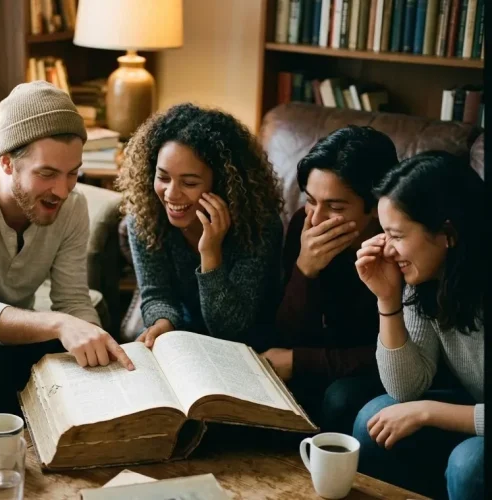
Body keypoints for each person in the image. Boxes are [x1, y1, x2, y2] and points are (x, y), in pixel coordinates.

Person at [0, 81, 134, 422]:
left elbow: (73, 301)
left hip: (10, 329)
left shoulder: (73, 208)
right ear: (7, 163)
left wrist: (93, 342)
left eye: (72, 174)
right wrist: (60, 324)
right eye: (47, 174)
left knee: (89, 335)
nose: (62, 191)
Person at [352, 151, 484, 499]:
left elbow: (417, 403)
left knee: (469, 464)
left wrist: (427, 412)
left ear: (447, 234)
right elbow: (405, 389)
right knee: (375, 418)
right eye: (384, 234)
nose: (386, 249)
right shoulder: (426, 278)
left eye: (396, 235)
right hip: (475, 406)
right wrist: (388, 300)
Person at [263, 126, 398, 433]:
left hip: (383, 370)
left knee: (340, 397)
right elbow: (288, 334)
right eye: (311, 200)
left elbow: (392, 355)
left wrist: (301, 362)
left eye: (335, 207)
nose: (316, 218)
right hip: (325, 355)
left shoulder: (400, 246)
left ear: (376, 207)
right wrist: (305, 269)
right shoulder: (303, 224)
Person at [117, 103, 284, 351]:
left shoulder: (259, 226)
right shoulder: (146, 217)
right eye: (163, 177)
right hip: (185, 334)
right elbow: (157, 294)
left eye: (190, 182)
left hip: (248, 346)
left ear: (222, 185)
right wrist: (162, 322)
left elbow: (229, 328)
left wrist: (211, 253)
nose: (171, 194)